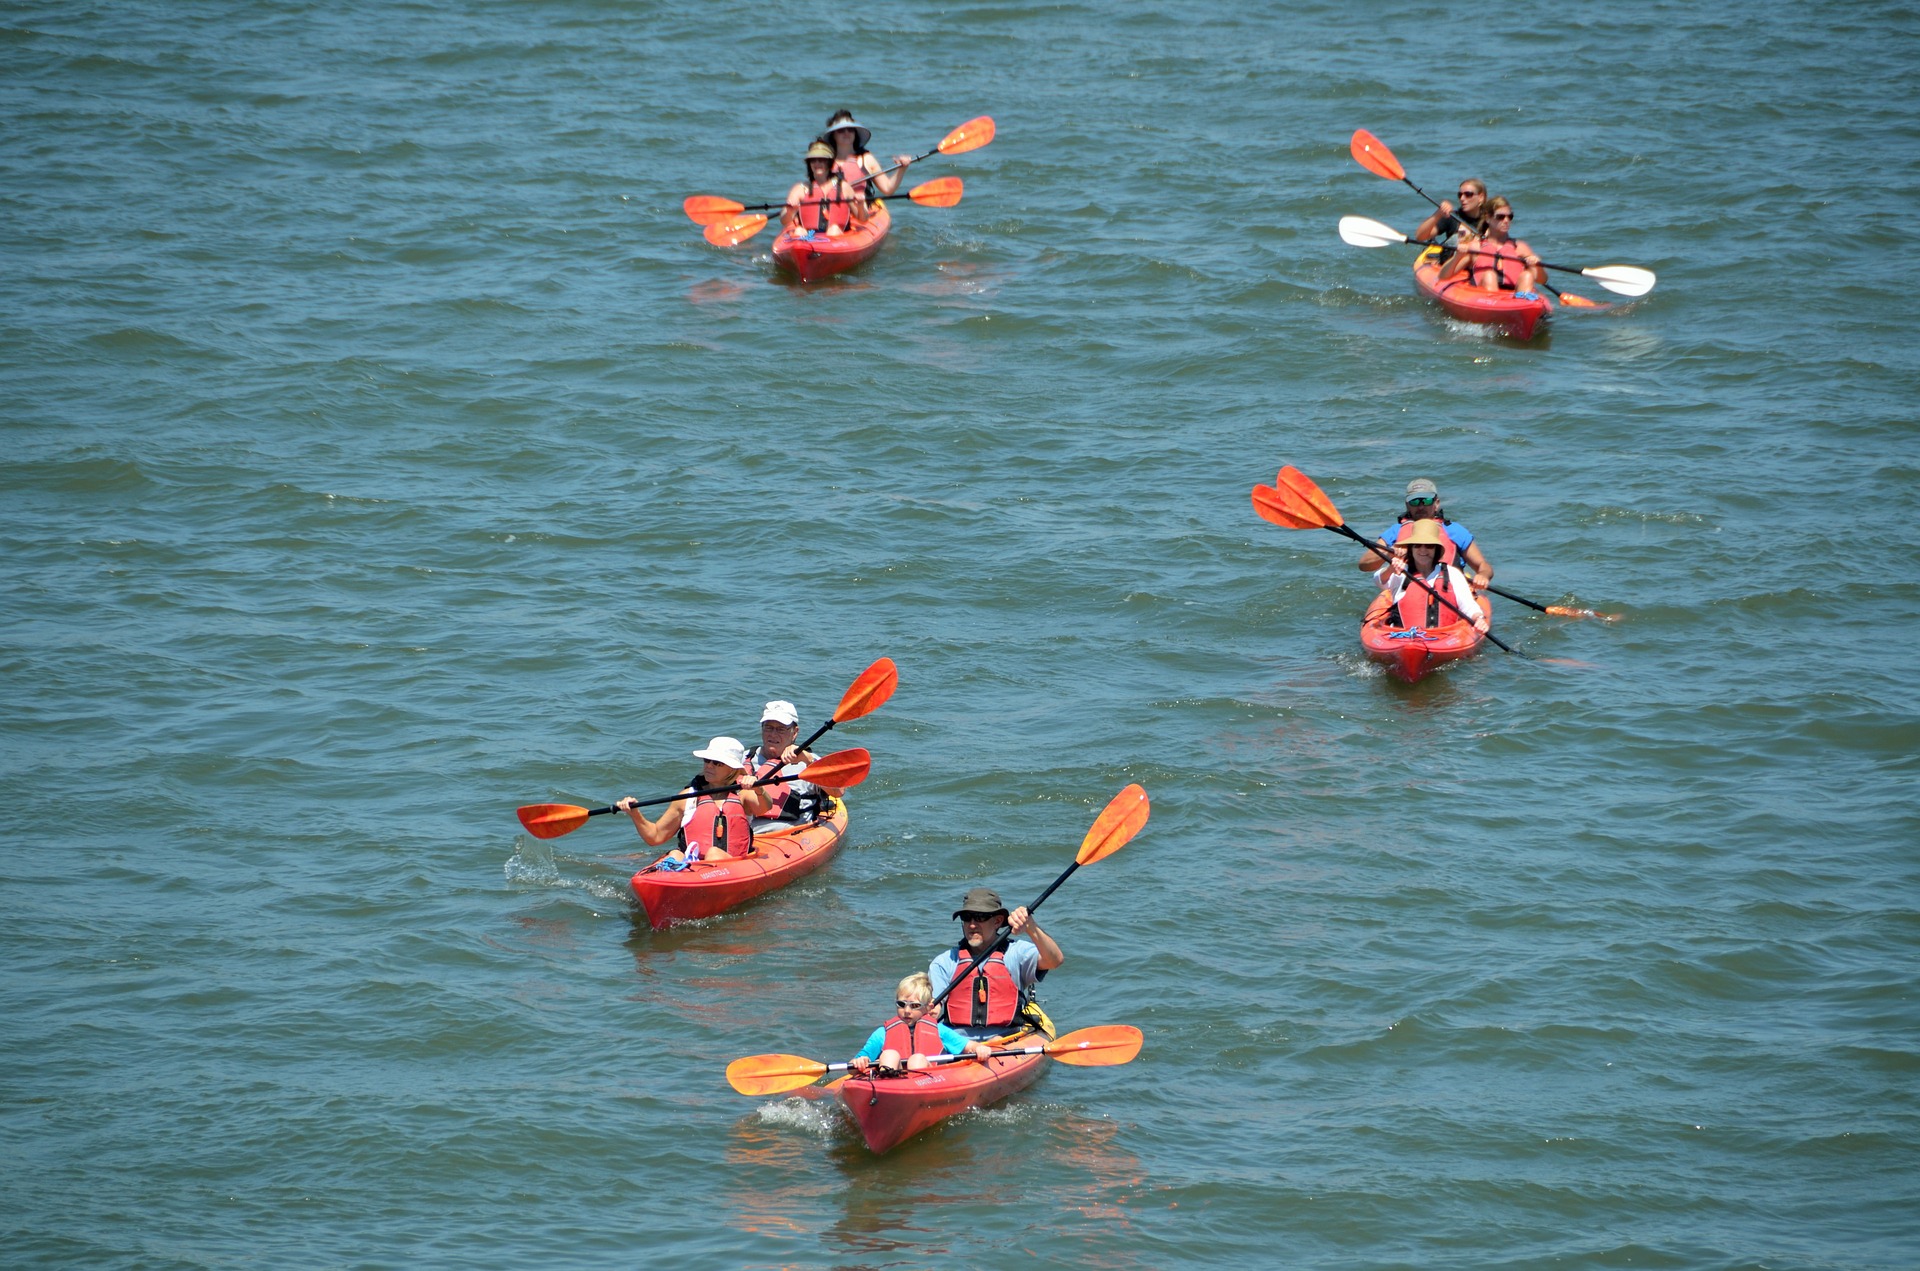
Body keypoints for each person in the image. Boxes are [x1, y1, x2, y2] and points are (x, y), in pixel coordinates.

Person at [928, 887, 1063, 1041]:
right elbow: (934, 1005)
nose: (972, 925)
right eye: (966, 917)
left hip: (1007, 1041)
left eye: (979, 917)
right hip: (958, 1044)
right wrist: (931, 1009)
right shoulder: (944, 962)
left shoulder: (1017, 953)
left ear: (997, 921)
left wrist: (1030, 927)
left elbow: (1055, 960)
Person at [614, 736, 771, 868]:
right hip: (695, 867)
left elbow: (765, 807)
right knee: (675, 854)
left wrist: (758, 788)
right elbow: (655, 837)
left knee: (714, 854)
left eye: (717, 763)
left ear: (732, 768)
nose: (709, 766)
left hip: (731, 865)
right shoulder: (688, 797)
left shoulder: (743, 794)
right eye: (707, 760)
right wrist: (635, 814)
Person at [1355, 478, 1494, 590]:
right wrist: (1391, 552)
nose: (1421, 507)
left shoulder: (1455, 531)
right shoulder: (1396, 531)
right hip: (1408, 591)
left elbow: (1483, 565)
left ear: (1436, 503)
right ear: (1407, 505)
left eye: (1426, 501)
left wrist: (1483, 576)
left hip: (1448, 589)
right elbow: (1364, 565)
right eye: (1415, 501)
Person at [848, 972, 994, 1075]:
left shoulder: (939, 1031)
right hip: (893, 1085)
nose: (907, 1011)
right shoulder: (882, 1034)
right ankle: (889, 1089)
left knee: (917, 1060)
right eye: (901, 1004)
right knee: (889, 1054)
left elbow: (970, 1047)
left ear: (928, 1007)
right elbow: (852, 1067)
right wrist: (860, 1062)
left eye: (915, 1006)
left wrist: (980, 1049)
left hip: (927, 1080)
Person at [1373, 520, 1487, 633]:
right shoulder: (1401, 571)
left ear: (1436, 549)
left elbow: (1468, 606)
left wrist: (1478, 619)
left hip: (1445, 637)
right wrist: (1390, 569)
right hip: (1404, 637)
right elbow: (1379, 580)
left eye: (1429, 546)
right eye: (1417, 545)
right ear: (1411, 548)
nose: (1423, 550)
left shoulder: (1452, 574)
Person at [744, 700, 844, 826]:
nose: (773, 734)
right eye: (768, 727)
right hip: (746, 831)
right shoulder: (743, 759)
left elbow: (838, 792)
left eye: (781, 729)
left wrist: (809, 761)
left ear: (795, 732)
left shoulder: (809, 761)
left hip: (793, 833)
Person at [1442, 195, 1544, 298]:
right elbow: (1444, 276)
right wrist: (1458, 256)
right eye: (1500, 217)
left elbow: (1542, 280)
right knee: (1489, 275)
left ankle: (1524, 301)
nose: (1506, 220)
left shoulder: (1520, 247)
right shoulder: (1476, 247)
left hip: (1514, 298)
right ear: (1488, 218)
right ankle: (1493, 300)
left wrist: (1537, 266)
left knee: (1527, 275)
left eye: (1510, 217)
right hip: (1486, 296)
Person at [783, 139, 868, 237]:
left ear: (829, 162)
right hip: (809, 237)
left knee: (833, 229)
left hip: (837, 236)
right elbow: (784, 220)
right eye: (813, 160)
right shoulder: (800, 189)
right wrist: (790, 211)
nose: (817, 163)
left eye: (822, 160)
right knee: (799, 231)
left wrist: (861, 205)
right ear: (809, 164)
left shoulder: (844, 187)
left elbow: (863, 219)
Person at [823, 109, 914, 201]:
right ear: (833, 135)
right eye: (841, 130)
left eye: (850, 129)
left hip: (862, 208)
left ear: (855, 133)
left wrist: (902, 168)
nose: (846, 133)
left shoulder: (866, 159)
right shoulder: (824, 161)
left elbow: (887, 189)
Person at [1415, 178, 1491, 265]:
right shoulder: (1452, 217)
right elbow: (1420, 236)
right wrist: (1438, 214)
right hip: (1452, 265)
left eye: (1468, 194)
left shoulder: (1490, 220)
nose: (1462, 198)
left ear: (1481, 197)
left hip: (1478, 263)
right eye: (1460, 195)